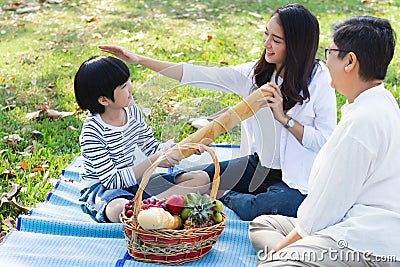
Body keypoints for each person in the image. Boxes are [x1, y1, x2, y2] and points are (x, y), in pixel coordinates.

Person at [99, 3, 337, 220]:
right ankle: (136, 209)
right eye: (266, 34)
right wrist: (138, 59)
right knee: (194, 179)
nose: (266, 44)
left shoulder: (319, 80)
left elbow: (325, 141)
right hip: (259, 167)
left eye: (276, 40)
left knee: (262, 207)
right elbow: (197, 75)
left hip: (299, 181)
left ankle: (224, 195)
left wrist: (284, 119)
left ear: (296, 46)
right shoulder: (258, 74)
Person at [249, 16, 399, 266]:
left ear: (349, 61)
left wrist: (274, 257)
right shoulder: (382, 101)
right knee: (264, 223)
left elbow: (323, 213)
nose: (325, 60)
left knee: (276, 262)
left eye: (330, 52)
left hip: (365, 242)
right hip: (349, 222)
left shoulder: (361, 124)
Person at [74, 56, 210, 223]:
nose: (130, 87)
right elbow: (112, 181)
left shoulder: (131, 110)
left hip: (135, 182)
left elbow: (150, 146)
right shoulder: (92, 133)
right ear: (104, 100)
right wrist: (156, 160)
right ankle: (150, 211)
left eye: (128, 81)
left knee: (201, 179)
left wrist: (184, 149)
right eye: (123, 86)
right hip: (103, 189)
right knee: (119, 209)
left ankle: (147, 212)